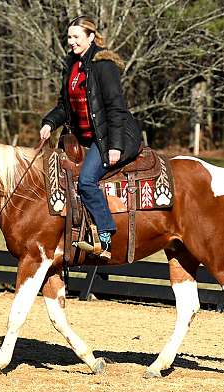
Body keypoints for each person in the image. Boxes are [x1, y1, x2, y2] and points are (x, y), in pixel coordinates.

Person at [40, 15, 142, 259]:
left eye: (76, 37)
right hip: (83, 138)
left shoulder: (103, 66)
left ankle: (105, 237)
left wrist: (115, 146)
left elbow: (116, 108)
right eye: (69, 37)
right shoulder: (72, 66)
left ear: (91, 37)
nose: (71, 42)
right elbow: (65, 106)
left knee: (86, 181)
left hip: (107, 138)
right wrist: (49, 122)